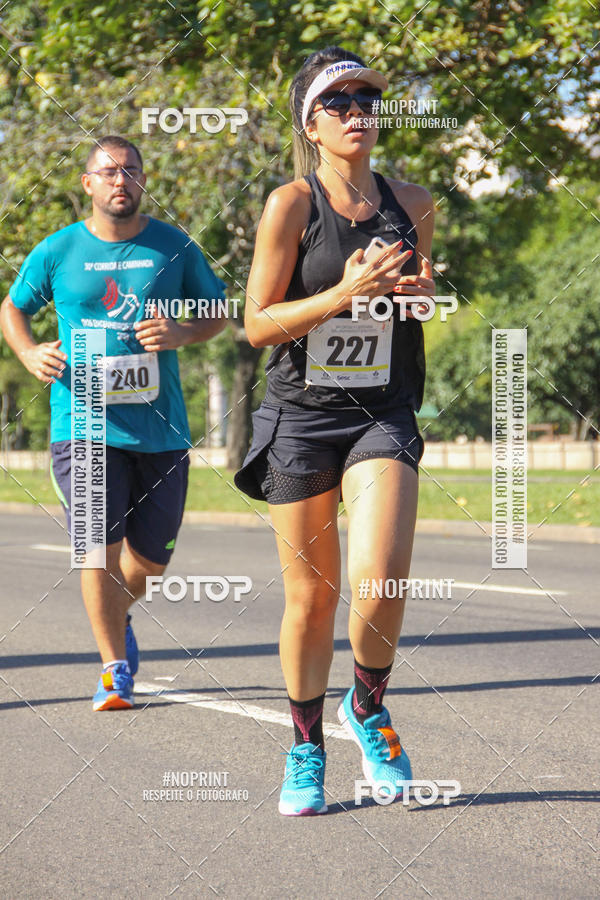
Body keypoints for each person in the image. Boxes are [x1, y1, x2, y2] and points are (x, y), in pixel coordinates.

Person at [234, 47, 435, 815]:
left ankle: (369, 706)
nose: (359, 113)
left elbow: (416, 301)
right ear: (311, 125)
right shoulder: (291, 204)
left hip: (380, 412)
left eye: (367, 102)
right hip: (299, 417)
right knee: (312, 601)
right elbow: (258, 323)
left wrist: (417, 295)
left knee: (380, 579)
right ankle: (306, 747)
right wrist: (347, 289)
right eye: (340, 103)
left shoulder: (411, 201)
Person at [0, 135, 226, 711]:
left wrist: (181, 332)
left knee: (149, 560)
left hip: (161, 430)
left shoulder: (173, 247)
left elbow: (216, 310)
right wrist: (28, 354)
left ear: (143, 180)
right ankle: (113, 667)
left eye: (130, 170)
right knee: (96, 549)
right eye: (108, 172)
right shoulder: (57, 251)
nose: (119, 180)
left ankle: (116, 615)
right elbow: (13, 308)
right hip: (83, 426)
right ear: (88, 183)